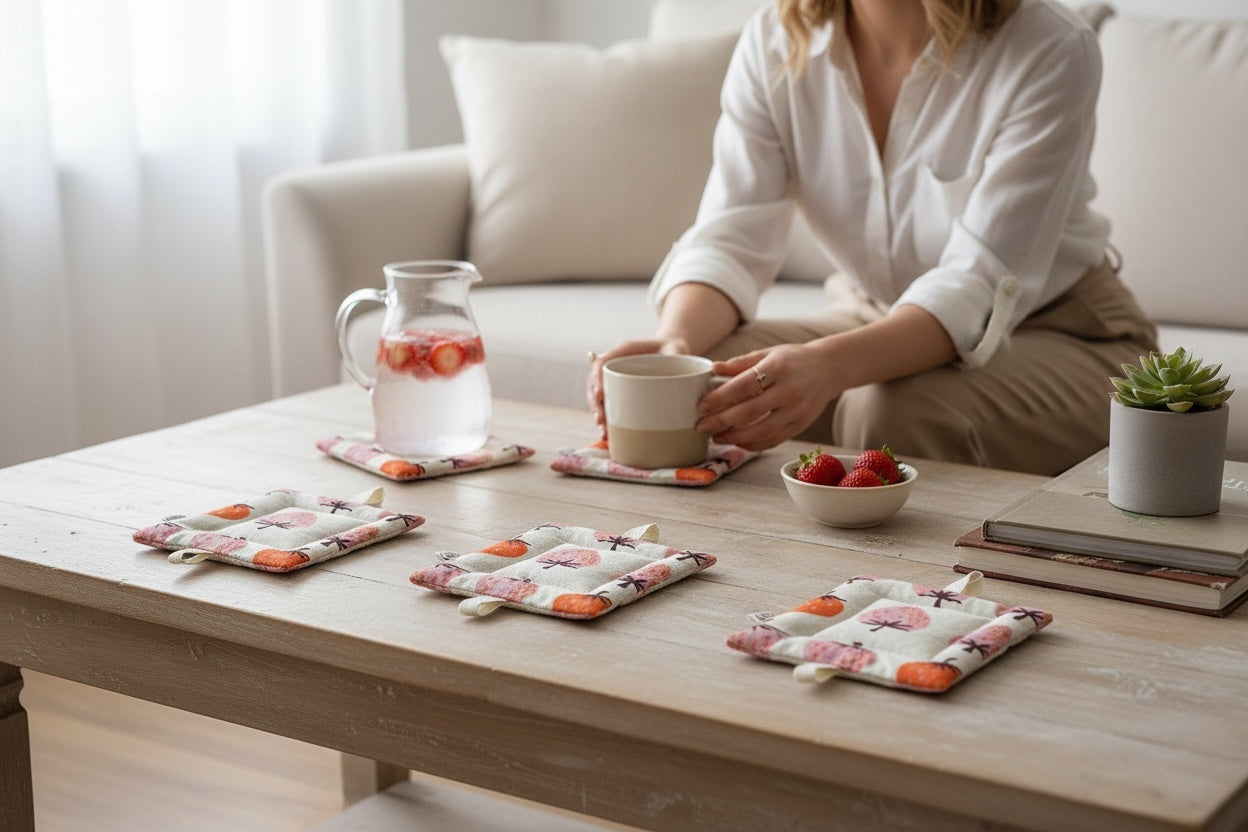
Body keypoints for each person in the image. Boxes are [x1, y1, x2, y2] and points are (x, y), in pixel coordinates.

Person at [587, 0, 1158, 476]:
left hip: (1068, 331)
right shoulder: (775, 40)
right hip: (875, 311)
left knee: (891, 411)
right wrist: (675, 344)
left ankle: (893, 582)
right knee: (703, 380)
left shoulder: (1048, 45)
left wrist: (830, 366)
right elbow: (730, 235)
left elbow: (977, 283)